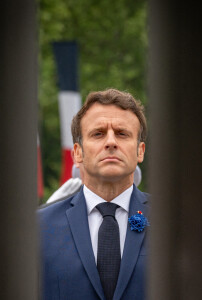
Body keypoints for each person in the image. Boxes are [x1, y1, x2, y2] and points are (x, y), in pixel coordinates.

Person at [38, 88, 149, 300]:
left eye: (122, 133)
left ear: (140, 151)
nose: (110, 142)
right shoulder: (38, 229)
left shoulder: (174, 223)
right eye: (98, 134)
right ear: (77, 153)